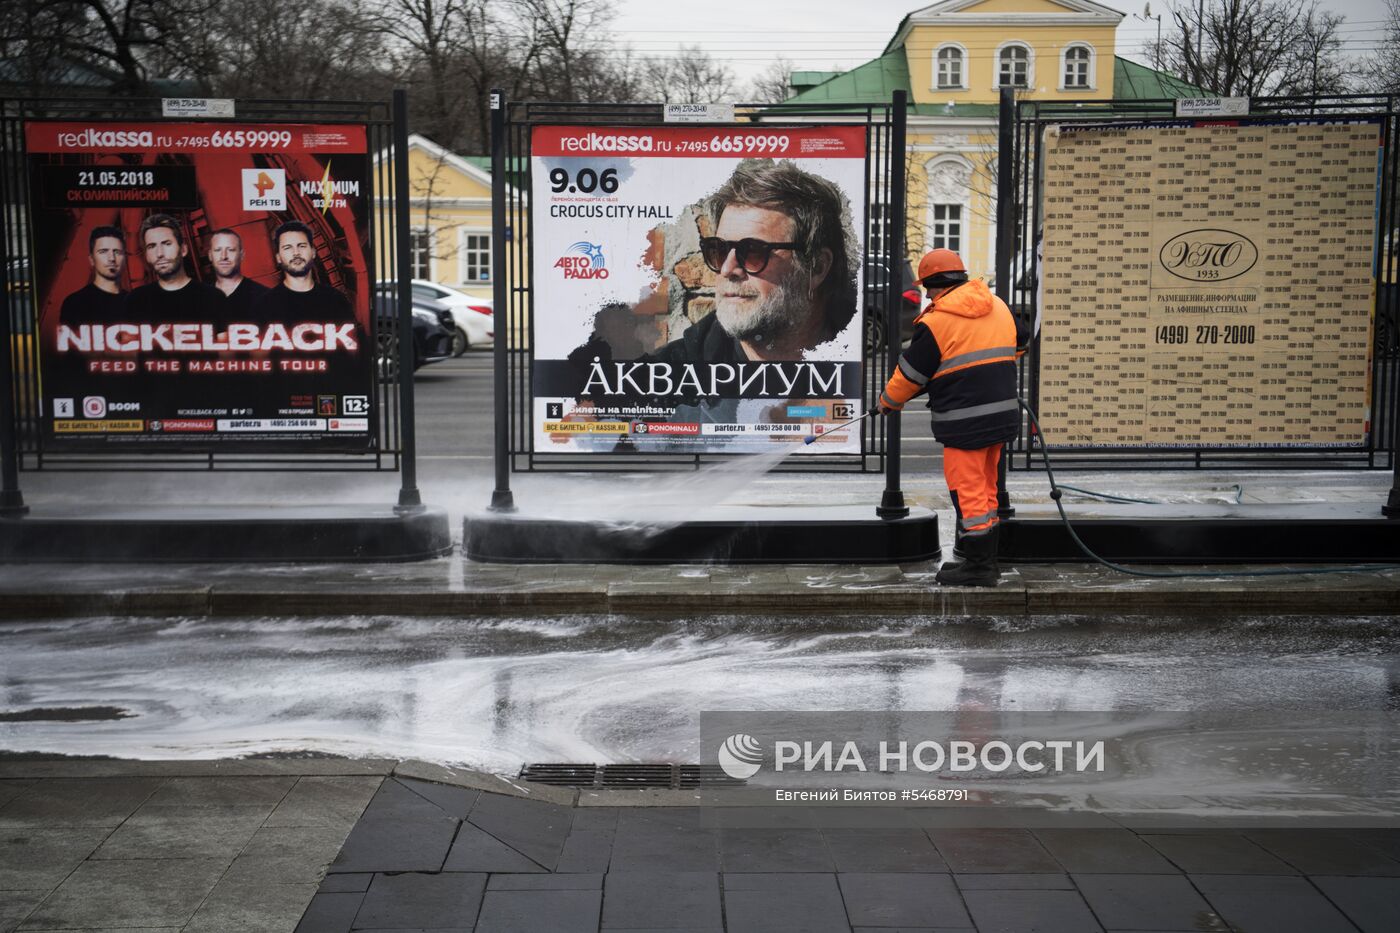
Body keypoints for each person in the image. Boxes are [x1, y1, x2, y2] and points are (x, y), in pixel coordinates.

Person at [878, 248, 1029, 587]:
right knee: (986, 488)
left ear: (934, 284)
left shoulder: (938, 320)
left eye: (927, 289)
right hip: (1002, 415)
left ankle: (978, 567)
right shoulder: (998, 305)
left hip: (965, 422)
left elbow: (912, 374)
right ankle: (985, 561)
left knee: (968, 491)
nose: (927, 296)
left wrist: (888, 402)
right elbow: (1020, 343)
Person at [643, 158, 858, 366]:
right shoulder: (664, 380)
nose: (727, 269)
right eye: (718, 250)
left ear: (816, 266)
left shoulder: (862, 364)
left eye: (753, 251)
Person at [127, 214, 223, 322]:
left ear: (183, 250)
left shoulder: (212, 297)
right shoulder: (136, 300)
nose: (159, 253)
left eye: (167, 244)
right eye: (152, 246)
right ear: (147, 255)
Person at [255, 220, 354, 321]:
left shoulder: (336, 299)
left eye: (302, 246)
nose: (296, 253)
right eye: (287, 248)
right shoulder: (265, 305)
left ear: (313, 253)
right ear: (278, 258)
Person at [58, 225, 128, 325]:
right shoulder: (75, 303)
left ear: (124, 258)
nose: (112, 258)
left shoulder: (135, 303)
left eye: (117, 252)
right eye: (103, 252)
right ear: (91, 259)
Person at [208, 228, 268, 319]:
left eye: (231, 250)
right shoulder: (202, 298)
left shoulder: (263, 297)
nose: (223, 256)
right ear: (210, 255)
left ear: (242, 255)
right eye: (217, 250)